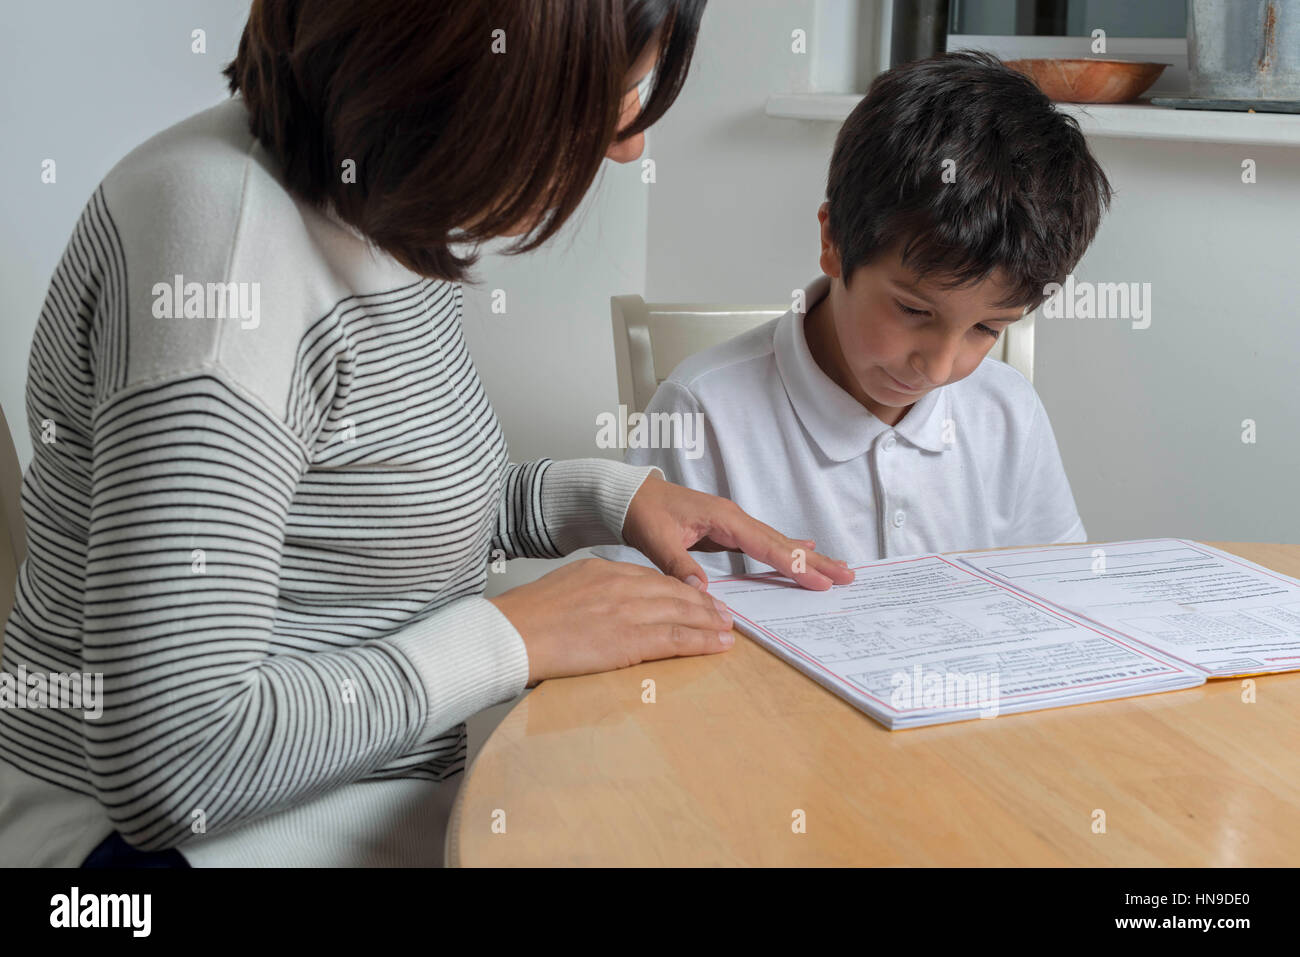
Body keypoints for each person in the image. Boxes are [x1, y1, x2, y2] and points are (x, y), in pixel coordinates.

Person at [0, 0, 852, 868]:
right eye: (620, 96)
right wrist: (513, 636)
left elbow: (365, 522)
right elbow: (173, 759)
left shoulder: (371, 207)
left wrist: (612, 498)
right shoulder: (220, 258)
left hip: (360, 805)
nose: (628, 145)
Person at [596, 51, 1111, 579]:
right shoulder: (701, 413)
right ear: (833, 242)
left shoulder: (1006, 411)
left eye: (986, 329)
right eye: (914, 310)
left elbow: (1058, 591)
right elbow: (646, 621)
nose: (936, 369)